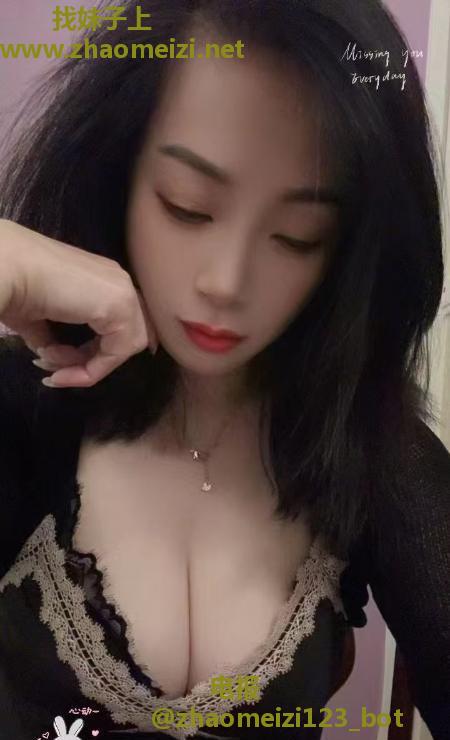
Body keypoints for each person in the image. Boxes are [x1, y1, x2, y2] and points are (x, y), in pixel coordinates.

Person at [0, 0, 449, 738]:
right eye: (188, 207)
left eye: (297, 235)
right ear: (118, 170)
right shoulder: (27, 399)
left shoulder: (367, 446)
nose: (226, 281)